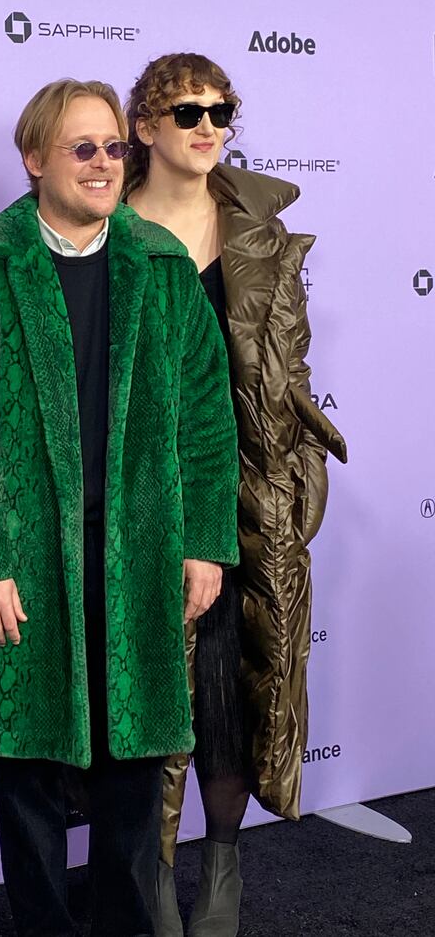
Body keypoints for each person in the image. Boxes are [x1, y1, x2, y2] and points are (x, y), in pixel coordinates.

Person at [0, 78, 240, 937]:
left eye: (113, 148)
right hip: (22, 567)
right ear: (34, 160)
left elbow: (209, 419)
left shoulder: (161, 266)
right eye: (83, 148)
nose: (105, 165)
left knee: (134, 775)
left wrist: (205, 543)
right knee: (27, 783)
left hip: (138, 557)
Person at [124, 53, 348, 937]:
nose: (209, 126)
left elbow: (288, 364)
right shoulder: (105, 222)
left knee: (232, 687)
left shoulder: (256, 227)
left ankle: (222, 866)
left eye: (221, 110)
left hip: (252, 486)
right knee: (147, 696)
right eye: (187, 113)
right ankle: (150, 870)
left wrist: (297, 472)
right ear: (144, 127)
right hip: (141, 493)